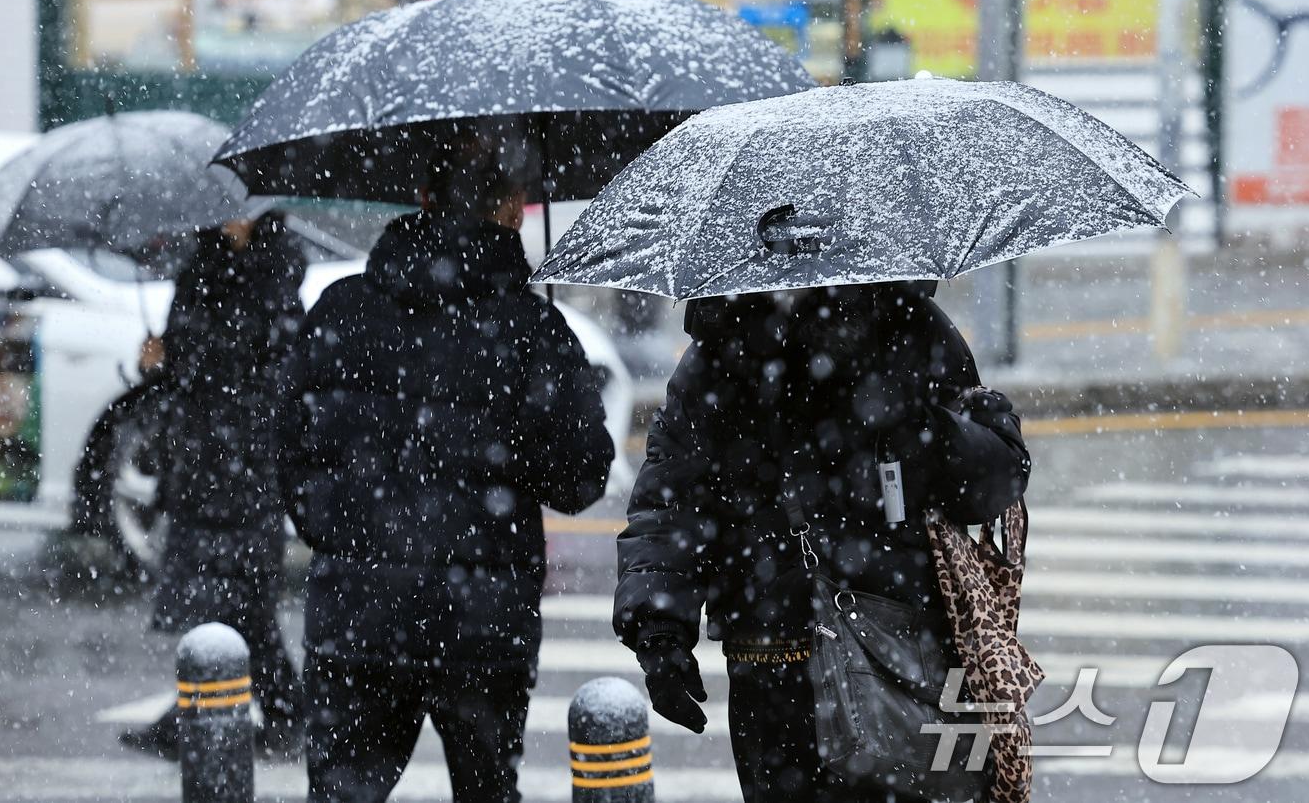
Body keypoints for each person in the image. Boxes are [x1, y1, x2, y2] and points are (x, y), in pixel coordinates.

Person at [278, 133, 614, 803]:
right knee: (487, 791)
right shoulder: (529, 329)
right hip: (482, 626)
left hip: (359, 617)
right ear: (514, 210)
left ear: (423, 198)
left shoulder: (342, 310)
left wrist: (344, 535)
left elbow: (292, 448)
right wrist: (524, 429)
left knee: (343, 793)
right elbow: (582, 479)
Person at [613, 283, 1030, 803]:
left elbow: (995, 482)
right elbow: (671, 502)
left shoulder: (907, 328)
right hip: (776, 668)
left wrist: (926, 428)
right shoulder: (722, 350)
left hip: (896, 656)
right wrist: (658, 630)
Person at [120, 212, 307, 757]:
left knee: (241, 600)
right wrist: (157, 361)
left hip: (248, 463)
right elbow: (184, 370)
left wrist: (206, 359)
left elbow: (280, 370)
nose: (231, 218)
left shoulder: (276, 277)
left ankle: (232, 711)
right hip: (197, 460)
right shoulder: (198, 269)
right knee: (217, 599)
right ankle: (265, 710)